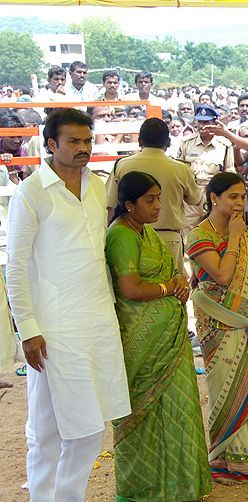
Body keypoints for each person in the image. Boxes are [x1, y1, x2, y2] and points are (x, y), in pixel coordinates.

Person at [6, 108, 130, 500]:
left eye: (87, 141)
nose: (83, 148)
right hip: (53, 326)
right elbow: (16, 267)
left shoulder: (96, 186)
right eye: (74, 141)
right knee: (48, 430)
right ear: (51, 144)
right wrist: (28, 329)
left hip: (97, 321)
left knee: (90, 425)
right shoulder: (32, 192)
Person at [105, 171, 211, 499]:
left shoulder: (146, 231)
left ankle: (178, 486)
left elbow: (172, 271)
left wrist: (178, 281)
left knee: (178, 409)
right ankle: (143, 489)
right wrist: (168, 288)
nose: (157, 206)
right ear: (129, 204)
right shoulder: (121, 235)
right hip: (142, 343)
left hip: (168, 339)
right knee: (143, 415)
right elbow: (131, 288)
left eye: (159, 199)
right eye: (150, 200)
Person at [187, 172, 248, 482]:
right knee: (225, 387)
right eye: (232, 197)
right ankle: (227, 457)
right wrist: (233, 236)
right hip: (218, 325)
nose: (239, 203)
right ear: (213, 198)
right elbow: (222, 275)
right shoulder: (199, 236)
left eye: (242, 197)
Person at [105, 118, 202, 268]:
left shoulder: (123, 165)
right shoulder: (180, 169)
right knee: (172, 281)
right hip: (169, 239)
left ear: (140, 140)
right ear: (168, 142)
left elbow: (109, 204)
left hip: (130, 237)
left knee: (131, 280)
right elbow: (196, 199)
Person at [177, 104, 235, 228]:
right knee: (188, 231)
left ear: (215, 123)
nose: (202, 126)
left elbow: (229, 172)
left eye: (206, 122)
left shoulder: (225, 145)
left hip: (214, 195)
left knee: (215, 229)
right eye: (200, 122)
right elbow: (179, 170)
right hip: (191, 195)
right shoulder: (186, 143)